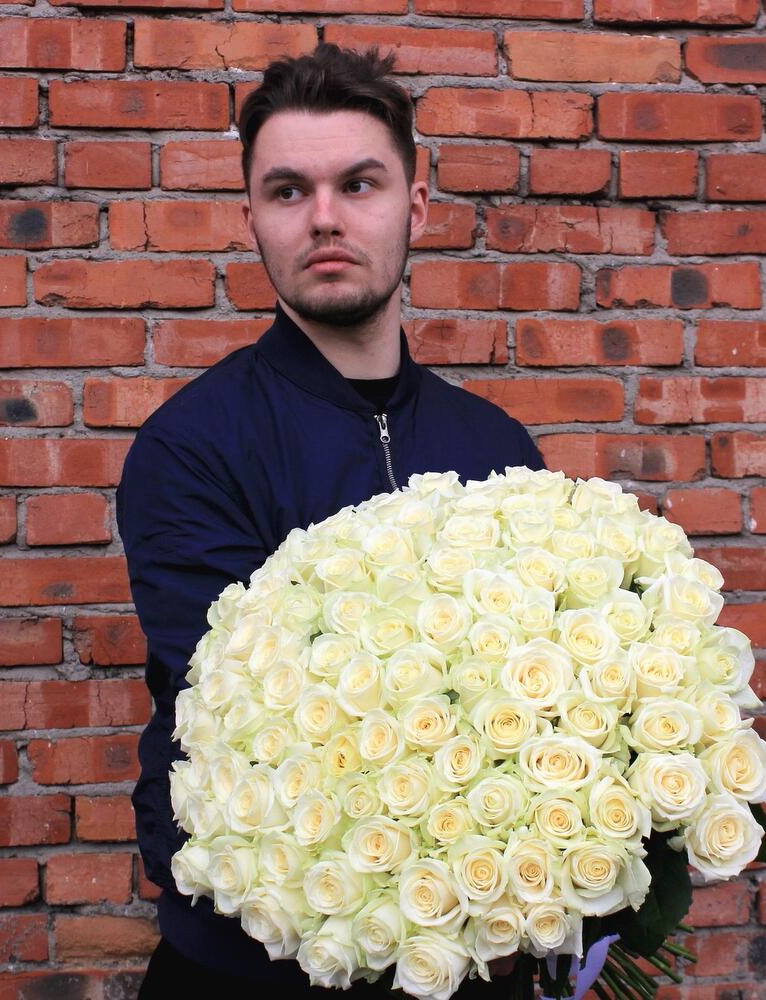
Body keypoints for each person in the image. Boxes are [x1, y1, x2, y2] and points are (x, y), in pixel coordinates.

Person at [117, 41, 547, 999]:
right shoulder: (192, 450)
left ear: (416, 206)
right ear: (252, 219)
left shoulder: (499, 449)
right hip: (256, 965)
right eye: (288, 191)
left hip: (476, 955)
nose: (324, 217)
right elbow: (257, 723)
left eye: (358, 184)